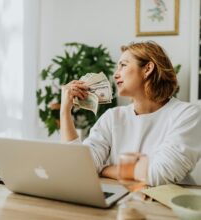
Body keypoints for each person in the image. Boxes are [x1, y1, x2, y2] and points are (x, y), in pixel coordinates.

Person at [60, 41, 201, 186]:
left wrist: (105, 169)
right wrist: (65, 111)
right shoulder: (113, 117)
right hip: (123, 202)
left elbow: (158, 175)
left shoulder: (187, 115)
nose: (115, 74)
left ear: (148, 69)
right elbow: (81, 167)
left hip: (166, 205)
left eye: (123, 65)